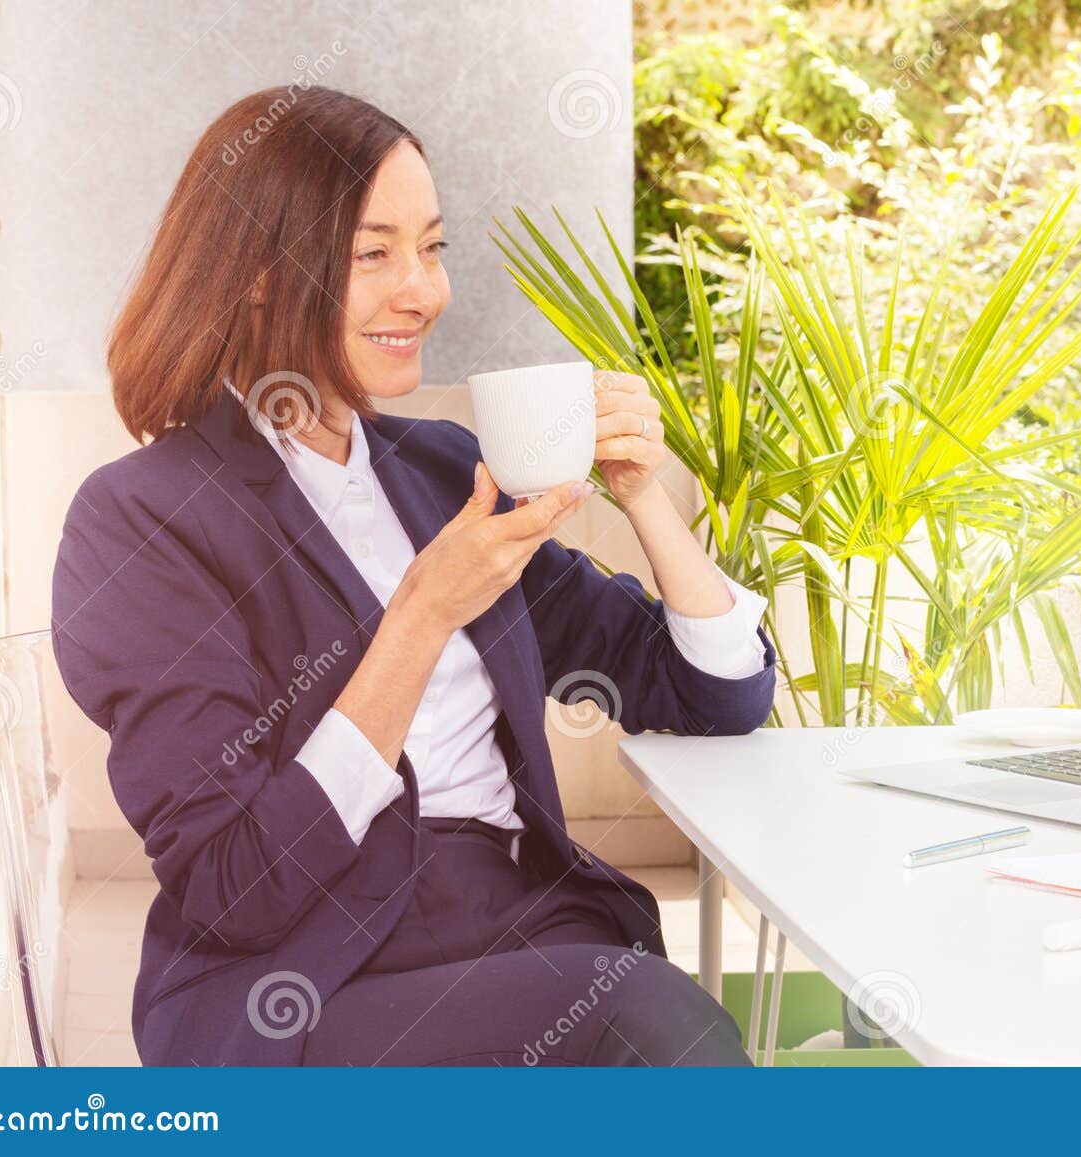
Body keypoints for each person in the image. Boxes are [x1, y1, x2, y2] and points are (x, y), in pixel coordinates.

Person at [51, 86, 774, 1067]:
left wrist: (644, 495)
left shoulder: (441, 472)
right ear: (259, 274)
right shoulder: (143, 517)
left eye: (432, 248)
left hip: (515, 923)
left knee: (646, 1015)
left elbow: (713, 690)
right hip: (308, 979)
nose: (423, 291)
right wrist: (423, 612)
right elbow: (234, 883)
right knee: (650, 1022)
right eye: (373, 253)